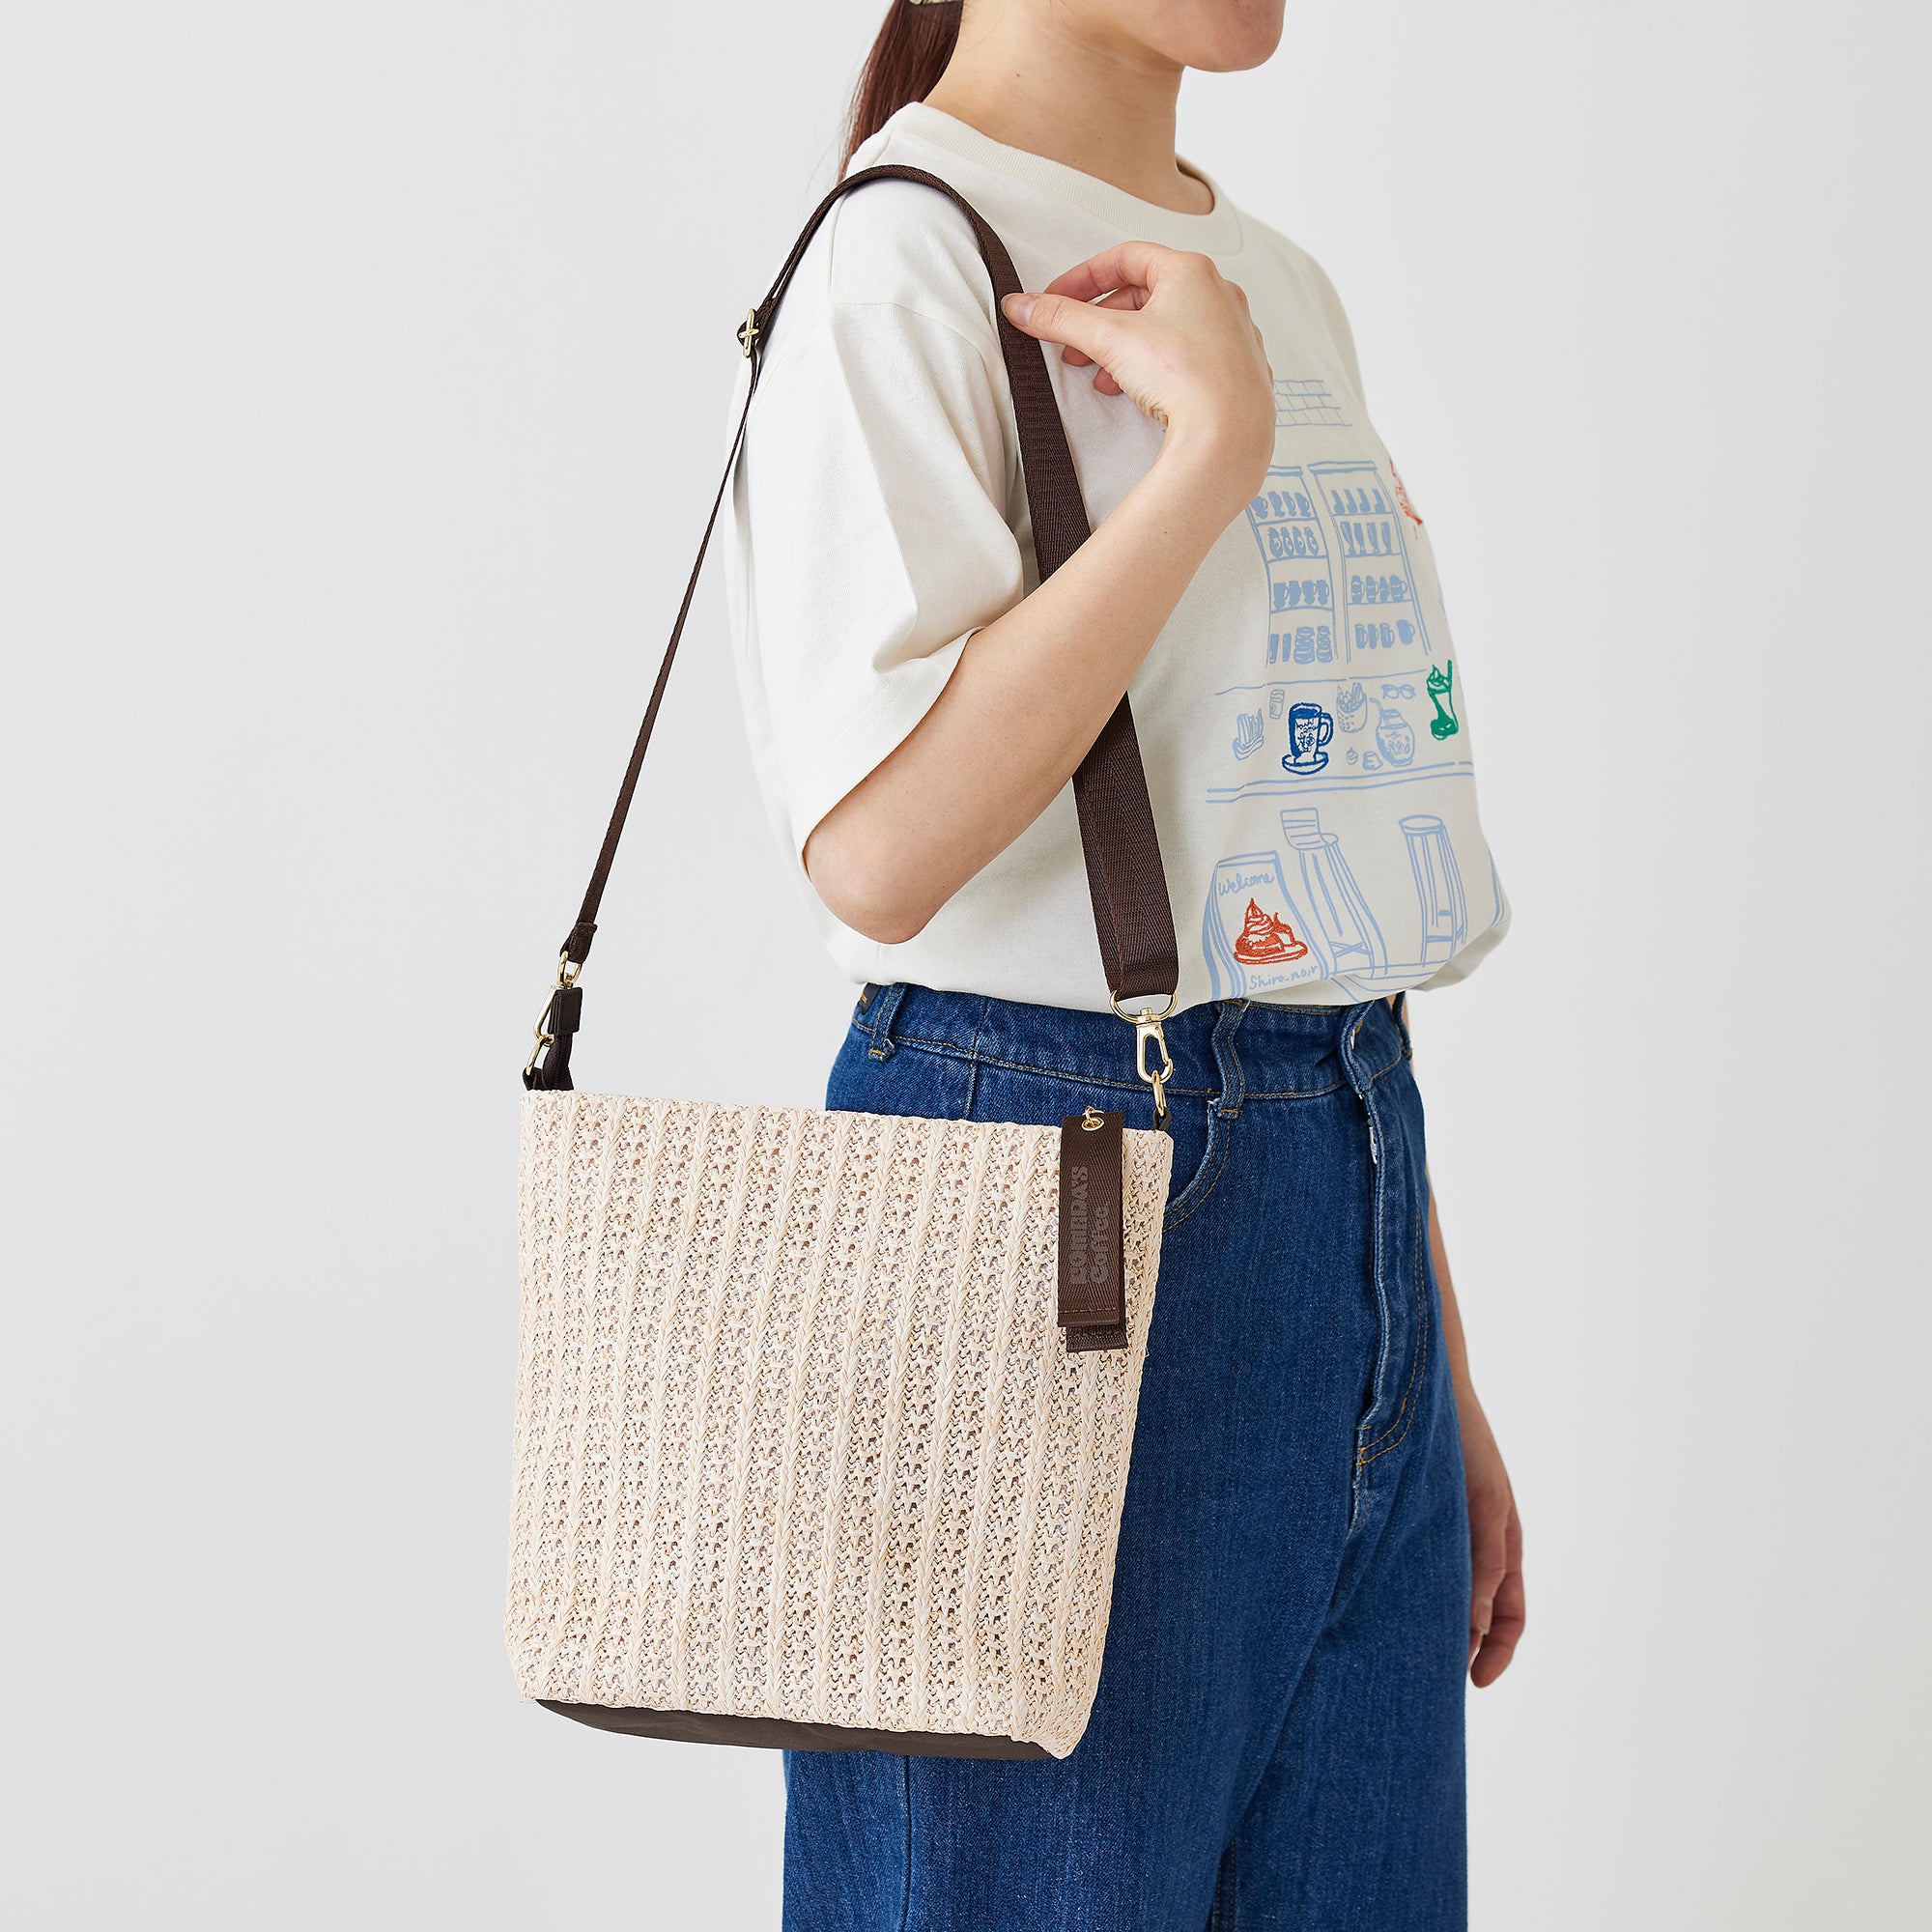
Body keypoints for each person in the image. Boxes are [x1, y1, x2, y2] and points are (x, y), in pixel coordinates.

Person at [723, 2, 1523, 1924]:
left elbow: (1288, 879)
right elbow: (877, 849)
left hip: (1341, 1185)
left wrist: (1425, 1385)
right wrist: (1203, 459)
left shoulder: (1277, 281)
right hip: (1038, 1194)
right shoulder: (907, 256)